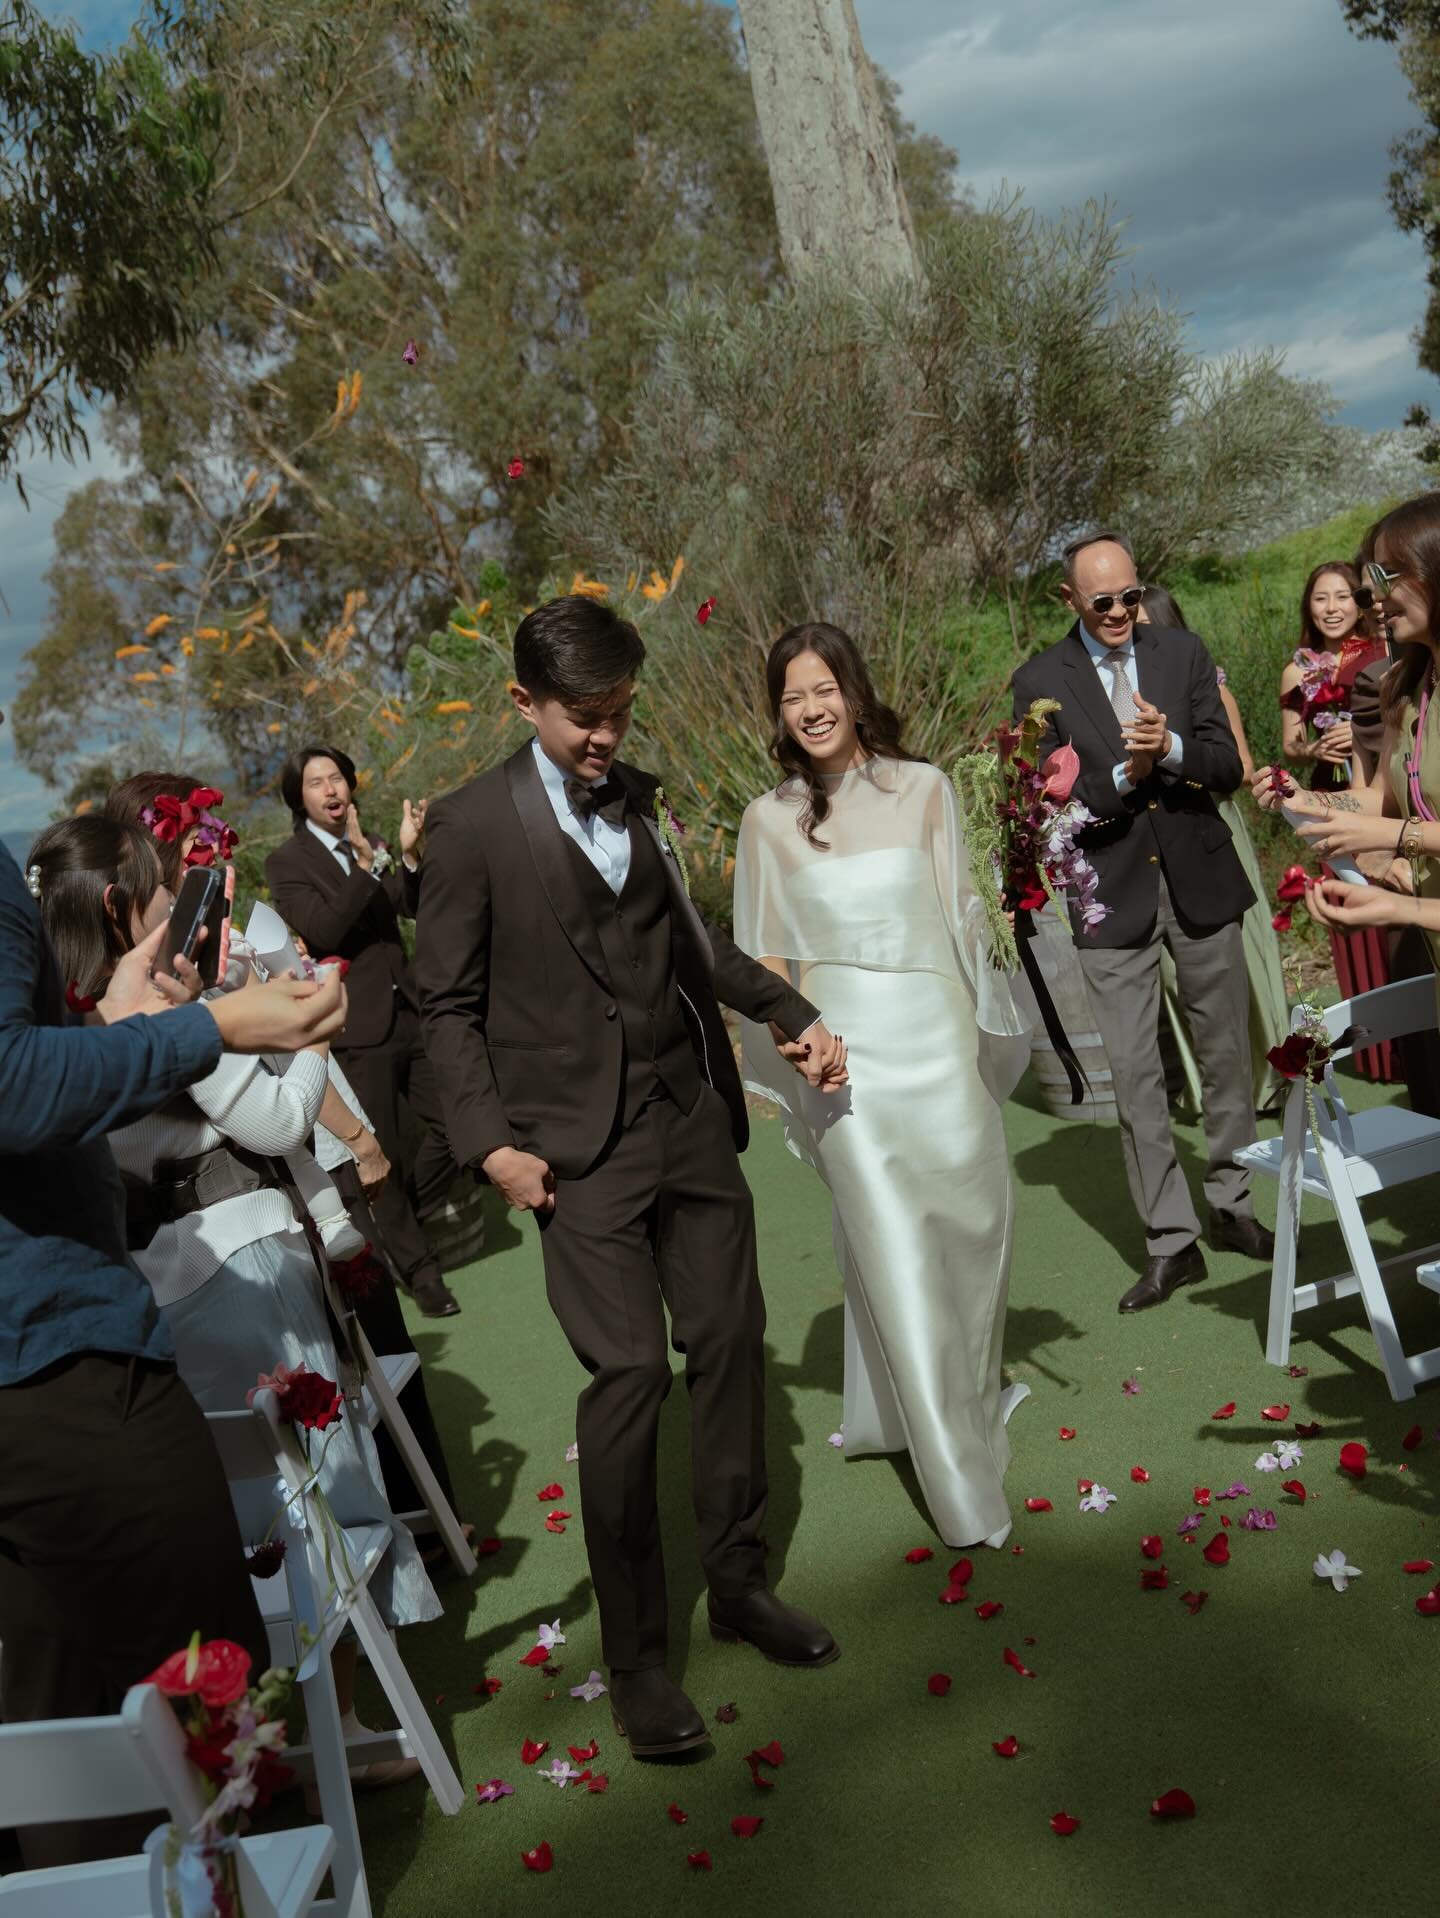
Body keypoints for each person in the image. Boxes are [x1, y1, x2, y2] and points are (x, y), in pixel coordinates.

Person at [416, 594, 845, 1759]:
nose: (605, 737)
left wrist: (788, 1008)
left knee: (729, 1347)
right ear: (523, 702)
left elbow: (686, 944)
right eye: (584, 718)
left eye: (618, 713)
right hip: (570, 1158)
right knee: (626, 1380)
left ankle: (742, 1583)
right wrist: (490, 1143)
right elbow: (443, 1006)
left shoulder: (634, 795)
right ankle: (641, 1659)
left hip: (690, 1121)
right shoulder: (466, 828)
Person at [28, 817, 440, 1793]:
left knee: (229, 1522)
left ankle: (239, 1743)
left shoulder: (58, 1036)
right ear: (123, 909)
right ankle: (340, 1723)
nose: (180, 913)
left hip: (147, 1299)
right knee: (319, 1496)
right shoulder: (168, 1015)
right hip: (242, 1270)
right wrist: (298, 1018)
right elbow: (282, 1117)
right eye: (164, 899)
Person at [0, 833, 345, 1868]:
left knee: (61, 1725)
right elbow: (10, 1087)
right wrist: (213, 1024)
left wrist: (114, 1020)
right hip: (56, 1363)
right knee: (211, 1709)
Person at [732, 624, 1034, 1550]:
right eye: (792, 696)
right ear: (778, 713)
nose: (811, 708)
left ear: (854, 694)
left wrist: (993, 1019)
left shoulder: (928, 789)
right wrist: (789, 1037)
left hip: (940, 1047)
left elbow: (967, 919)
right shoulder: (766, 819)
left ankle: (961, 1402)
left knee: (973, 1235)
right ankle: (962, 1489)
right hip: (844, 1061)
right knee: (896, 1248)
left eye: (824, 689)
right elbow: (762, 954)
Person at [1009, 531, 1273, 1314]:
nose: (1122, 611)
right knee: (1136, 1077)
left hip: (1200, 881)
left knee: (1227, 1056)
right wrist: (1127, 772)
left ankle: (1234, 1205)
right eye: (1104, 601)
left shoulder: (1182, 652)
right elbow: (1042, 801)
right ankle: (1171, 1243)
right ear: (1070, 602)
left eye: (1130, 595)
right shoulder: (1037, 681)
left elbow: (1228, 765)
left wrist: (1176, 746)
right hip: (1111, 898)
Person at [265, 744, 462, 1318]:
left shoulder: (369, 842)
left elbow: (412, 904)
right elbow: (323, 927)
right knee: (376, 1153)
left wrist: (404, 855)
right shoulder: (287, 863)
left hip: (410, 1012)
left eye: (337, 779)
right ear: (298, 800)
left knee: (456, 1127)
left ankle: (408, 1227)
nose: (331, 790)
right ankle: (423, 1274)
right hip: (354, 1028)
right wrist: (363, 863)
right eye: (315, 782)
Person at [1257, 493, 1440, 1018]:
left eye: (1389, 576)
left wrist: (1394, 841)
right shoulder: (1410, 687)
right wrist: (1305, 798)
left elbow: (1389, 825)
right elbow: (1380, 800)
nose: (1373, 598)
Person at [1138, 585, 1288, 1114]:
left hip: (1211, 828)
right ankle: (1209, 1086)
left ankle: (1265, 1080)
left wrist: (1177, 758)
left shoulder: (1209, 687)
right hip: (1158, 842)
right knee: (1179, 974)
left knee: (1237, 959)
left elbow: (1242, 768)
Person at [1276, 566, 1397, 1080]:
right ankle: (1371, 1053)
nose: (1332, 607)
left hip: (1377, 795)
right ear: (1309, 606)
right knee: (1349, 907)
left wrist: (1360, 731)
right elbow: (1290, 745)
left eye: (1343, 596)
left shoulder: (1385, 652)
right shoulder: (1296, 669)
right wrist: (1316, 745)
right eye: (1320, 598)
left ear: (1361, 601)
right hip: (1330, 793)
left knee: (1391, 906)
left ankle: (1409, 1037)